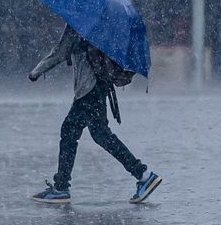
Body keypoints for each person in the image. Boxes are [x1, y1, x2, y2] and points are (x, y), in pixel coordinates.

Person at [28, 24, 162, 204]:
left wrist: (37, 71)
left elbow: (60, 52)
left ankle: (61, 188)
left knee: (71, 132)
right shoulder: (101, 25)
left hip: (88, 90)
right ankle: (143, 175)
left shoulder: (78, 23)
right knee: (99, 135)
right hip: (99, 87)